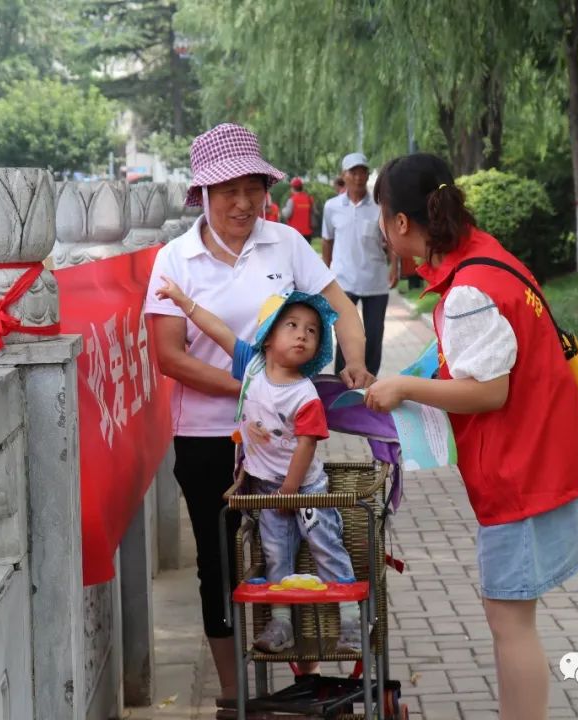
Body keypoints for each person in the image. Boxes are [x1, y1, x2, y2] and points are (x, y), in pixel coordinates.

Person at [363, 154, 578, 720]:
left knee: (509, 622)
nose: (381, 230)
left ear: (402, 224)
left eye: (382, 217)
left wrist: (404, 386)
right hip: (545, 456)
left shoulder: (468, 291)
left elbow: (488, 392)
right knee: (510, 616)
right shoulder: (484, 253)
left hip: (525, 470)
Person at [143, 123, 374, 700]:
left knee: (298, 548)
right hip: (209, 438)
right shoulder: (176, 260)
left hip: (287, 442)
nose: (243, 202)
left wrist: (357, 361)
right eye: (228, 191)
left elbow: (342, 307)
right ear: (202, 195)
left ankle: (307, 679)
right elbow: (168, 356)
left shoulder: (286, 242)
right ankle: (233, 695)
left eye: (253, 187)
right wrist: (249, 391)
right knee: (219, 566)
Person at [153, 280, 363, 653]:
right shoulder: (250, 367)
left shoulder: (304, 394)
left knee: (325, 545)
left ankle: (349, 620)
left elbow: (306, 445)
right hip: (265, 487)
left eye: (312, 331)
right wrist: (185, 302)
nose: (302, 335)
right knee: (275, 553)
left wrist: (290, 492)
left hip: (305, 489)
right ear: (267, 338)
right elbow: (218, 331)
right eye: (292, 326)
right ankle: (281, 624)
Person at [321, 152, 398, 376]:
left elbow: (392, 240)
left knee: (373, 335)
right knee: (346, 335)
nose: (358, 176)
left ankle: (369, 382)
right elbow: (327, 241)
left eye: (362, 171)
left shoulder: (380, 206)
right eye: (353, 172)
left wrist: (394, 267)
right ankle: (340, 380)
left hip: (375, 280)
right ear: (343, 176)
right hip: (343, 281)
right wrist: (325, 273)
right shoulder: (332, 207)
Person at [281, 177, 316, 242]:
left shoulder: (292, 200)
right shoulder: (309, 199)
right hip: (307, 234)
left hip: (294, 233)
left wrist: (283, 210)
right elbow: (313, 212)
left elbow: (287, 214)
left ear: (293, 188)